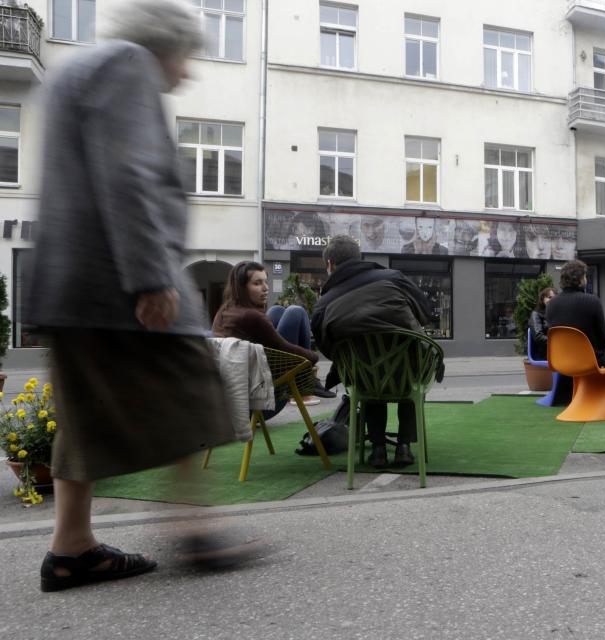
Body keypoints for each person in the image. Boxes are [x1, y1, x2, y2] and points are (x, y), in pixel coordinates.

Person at [24, 0, 254, 592]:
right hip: (115, 283)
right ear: (166, 46)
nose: (189, 72)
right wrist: (151, 275)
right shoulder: (127, 66)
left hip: (71, 284)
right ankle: (195, 531)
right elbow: (129, 174)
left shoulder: (78, 71)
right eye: (188, 57)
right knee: (190, 382)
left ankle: (72, 548)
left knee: (83, 411)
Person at [311, 235, 436, 468]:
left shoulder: (323, 304)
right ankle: (404, 447)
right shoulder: (394, 278)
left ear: (330, 265)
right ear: (360, 258)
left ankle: (378, 449)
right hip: (407, 373)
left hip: (363, 378)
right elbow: (426, 312)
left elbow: (326, 347)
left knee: (368, 373)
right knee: (410, 367)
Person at [211, 261, 335, 403]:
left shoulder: (224, 311)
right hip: (263, 398)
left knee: (276, 311)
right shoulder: (251, 317)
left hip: (236, 392)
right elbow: (284, 349)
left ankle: (307, 381)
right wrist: (313, 358)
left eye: (265, 281)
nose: (265, 288)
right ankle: (307, 382)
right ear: (241, 287)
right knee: (296, 311)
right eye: (257, 283)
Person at [545, 260, 605, 380]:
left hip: (561, 360)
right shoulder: (592, 301)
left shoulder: (551, 304)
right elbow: (603, 341)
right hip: (590, 359)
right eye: (585, 276)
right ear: (581, 279)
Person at [528, 286, 557, 361]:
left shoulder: (558, 314)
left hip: (557, 351)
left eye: (554, 297)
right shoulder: (536, 314)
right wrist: (557, 342)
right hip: (544, 352)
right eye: (549, 297)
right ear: (542, 299)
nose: (552, 300)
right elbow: (538, 337)